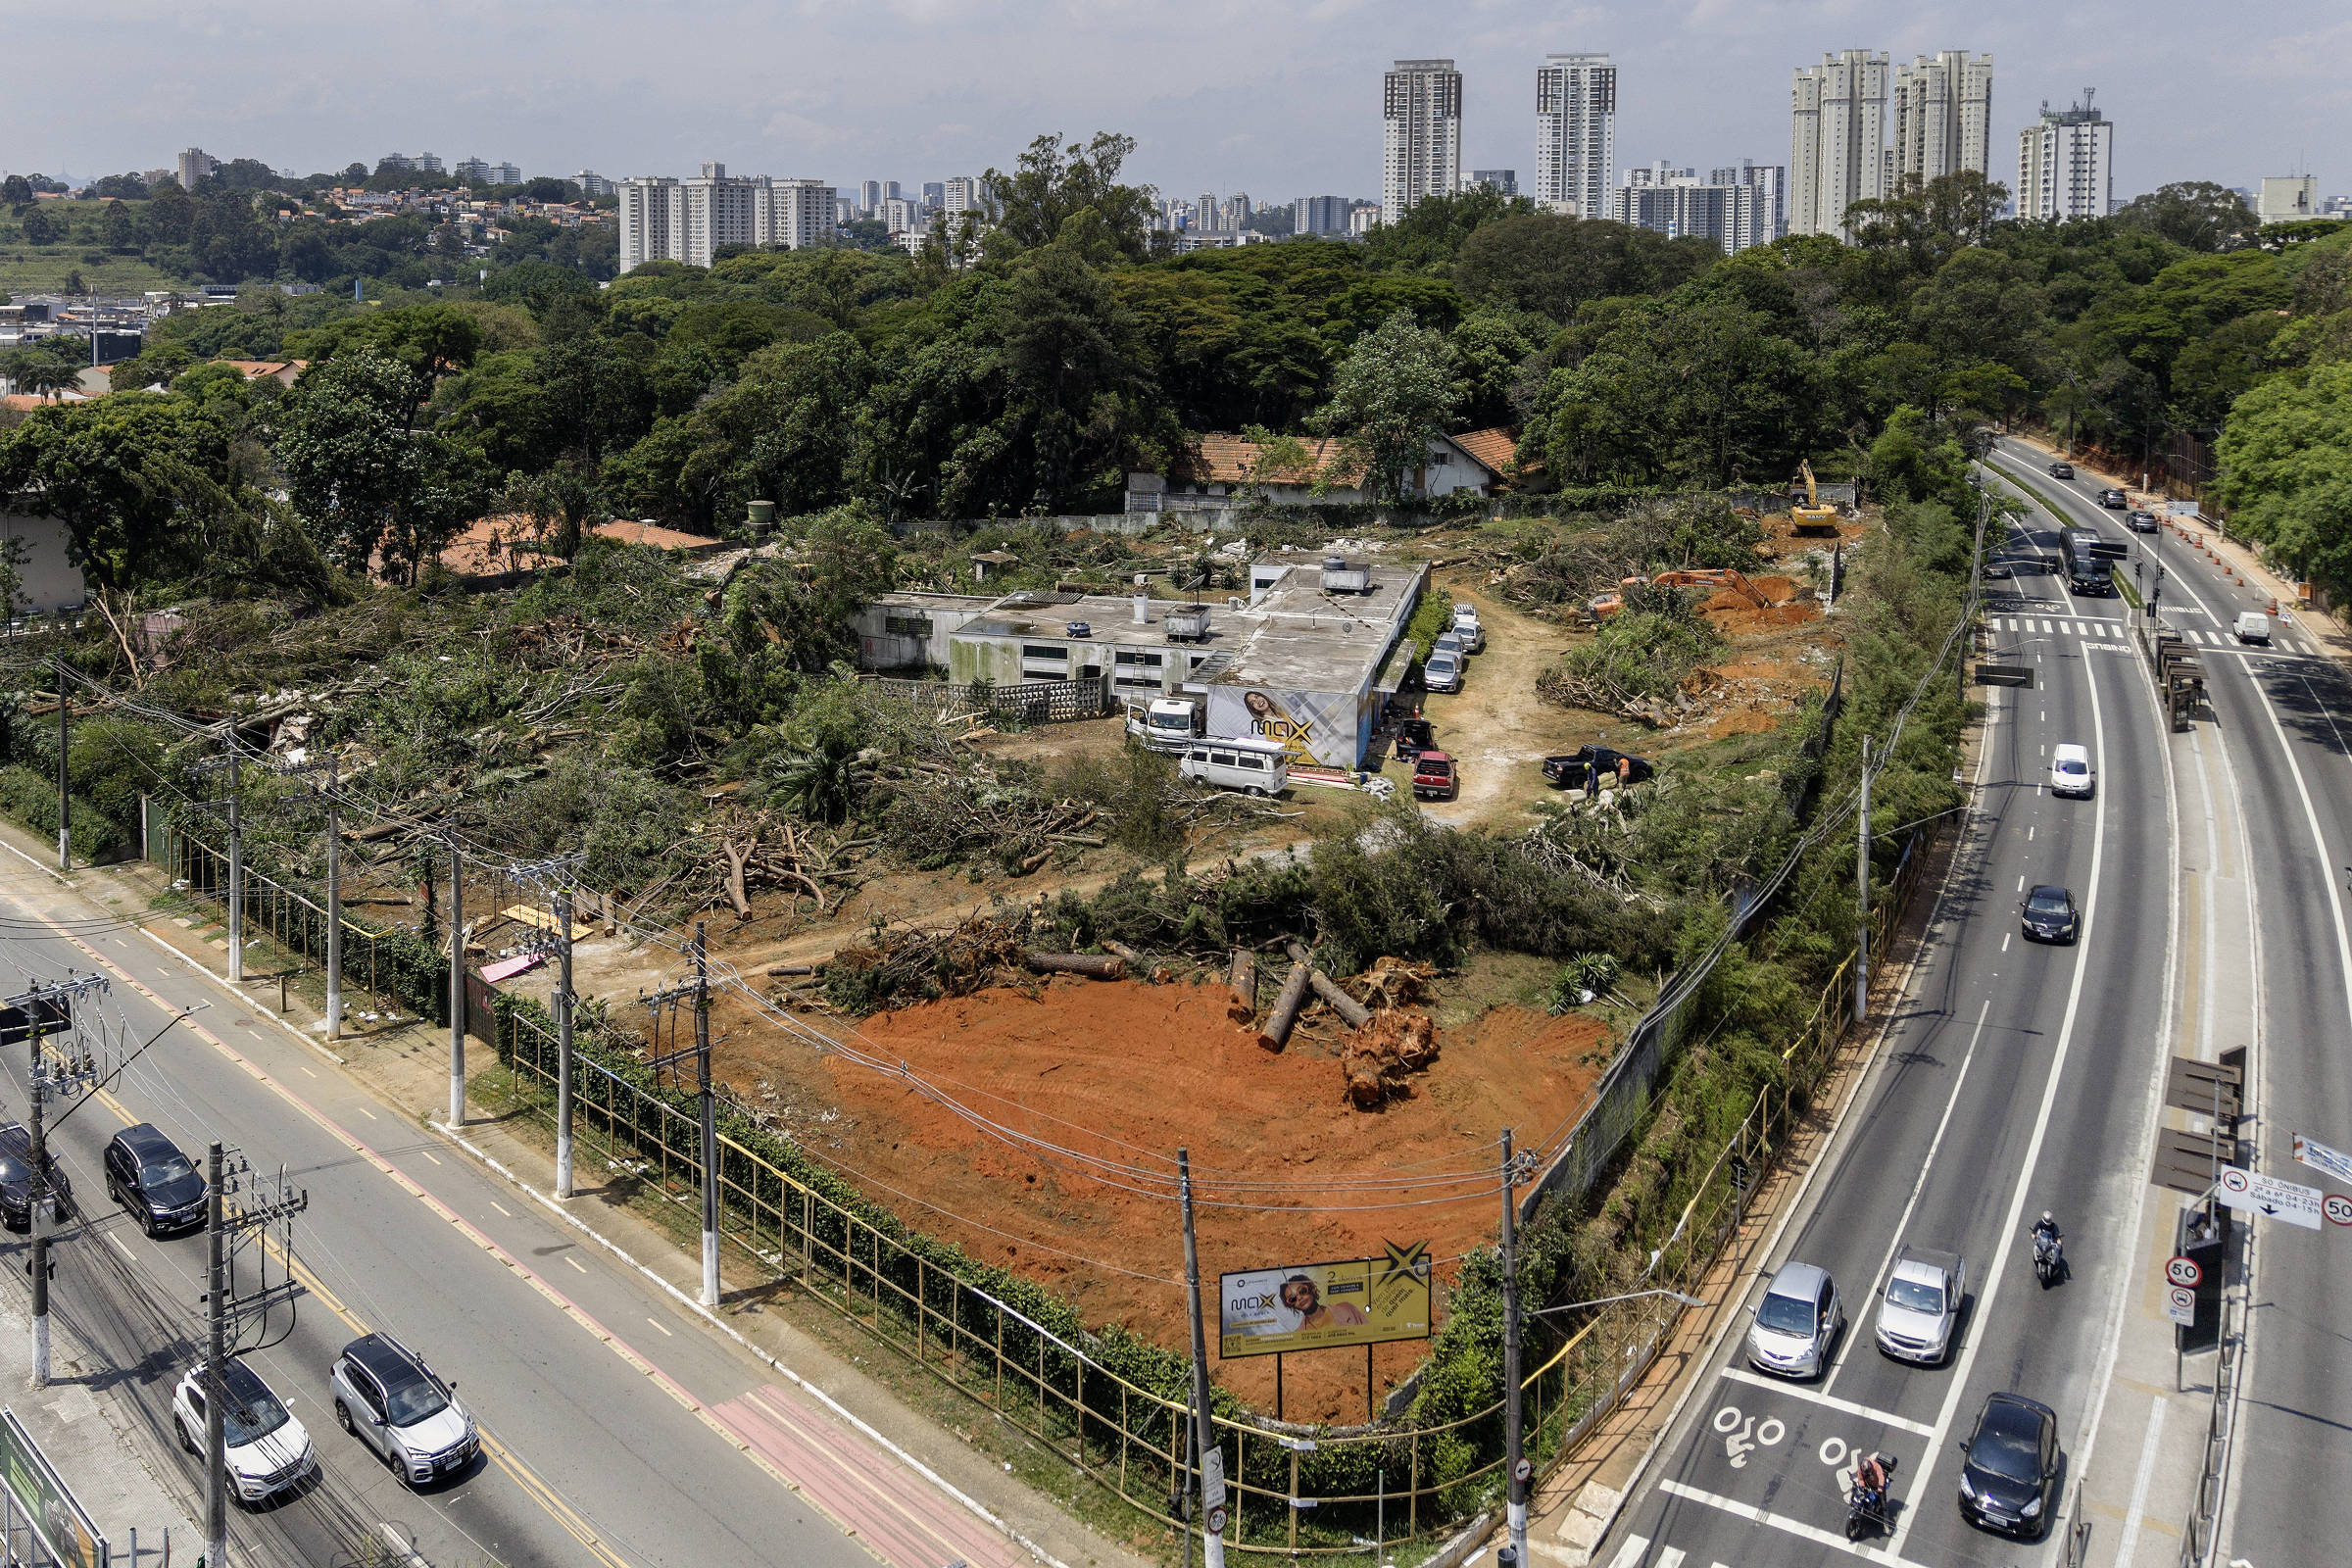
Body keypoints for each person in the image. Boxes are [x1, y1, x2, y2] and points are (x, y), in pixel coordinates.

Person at [1278, 1275, 1367, 1334]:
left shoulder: (1347, 1309)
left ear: (1311, 1288)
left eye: (1302, 1291)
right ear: (1290, 1305)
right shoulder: (1298, 1335)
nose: (1299, 1298)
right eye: (1292, 1299)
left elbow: (1369, 1334)